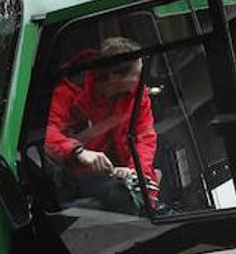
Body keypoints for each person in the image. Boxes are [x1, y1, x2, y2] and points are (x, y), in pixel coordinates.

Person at [45, 36, 158, 212]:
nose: (140, 80)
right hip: (74, 176)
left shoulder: (137, 95)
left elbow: (145, 138)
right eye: (135, 75)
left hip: (118, 175)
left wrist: (134, 172)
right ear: (114, 77)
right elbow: (48, 133)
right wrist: (79, 152)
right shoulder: (68, 92)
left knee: (130, 200)